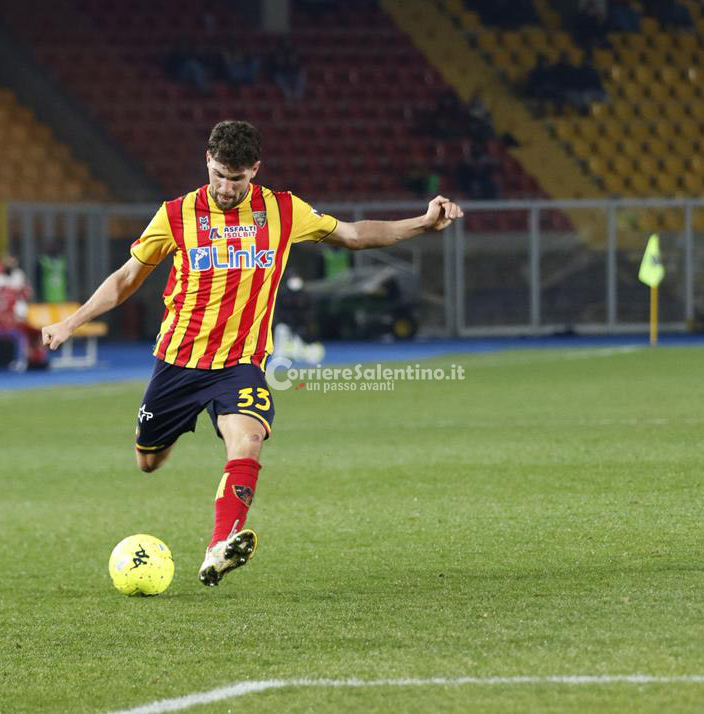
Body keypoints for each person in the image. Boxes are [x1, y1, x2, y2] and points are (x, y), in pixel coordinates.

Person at [40, 121, 462, 587]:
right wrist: (70, 323)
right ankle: (186, 468)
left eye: (236, 179)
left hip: (240, 365)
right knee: (148, 461)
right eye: (219, 175)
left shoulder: (281, 210)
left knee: (248, 439)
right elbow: (125, 278)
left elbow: (355, 234)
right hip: (178, 362)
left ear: (255, 170)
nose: (226, 188)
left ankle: (219, 546)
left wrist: (423, 222)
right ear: (207, 161)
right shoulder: (176, 215)